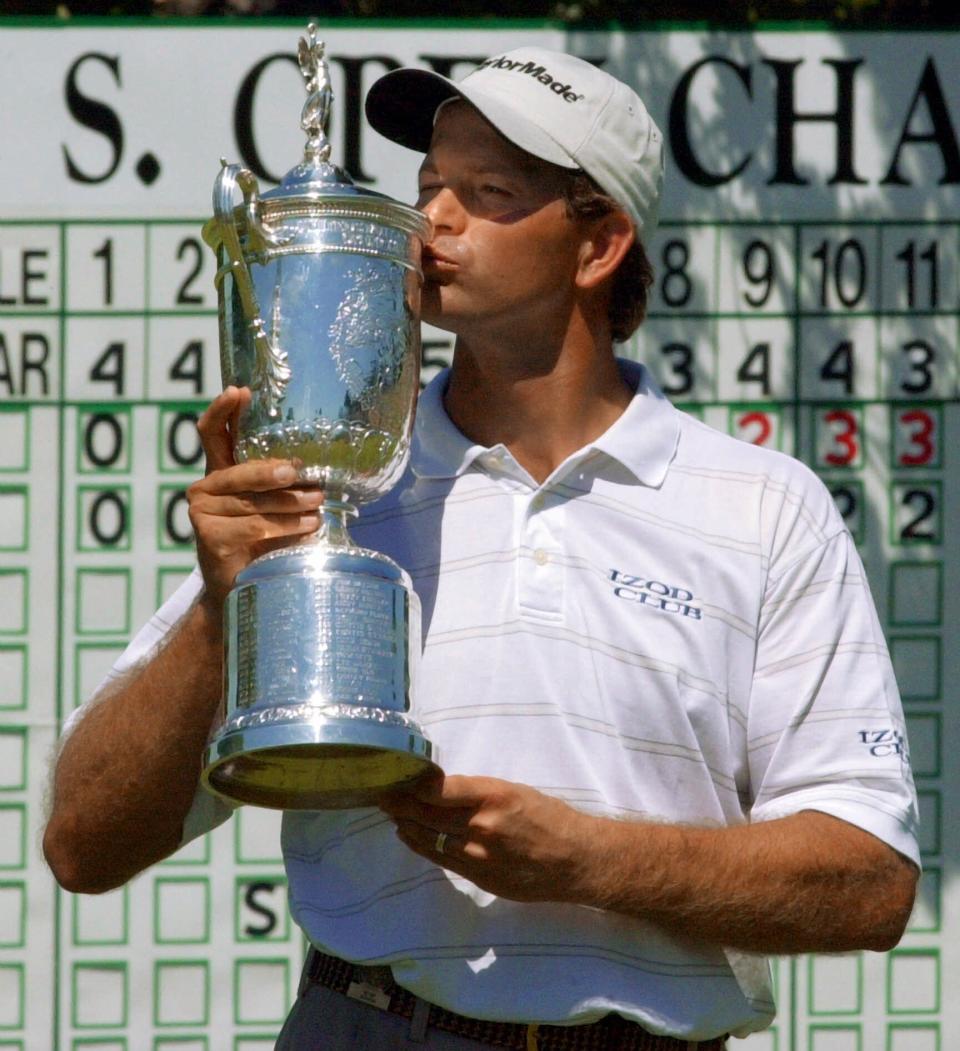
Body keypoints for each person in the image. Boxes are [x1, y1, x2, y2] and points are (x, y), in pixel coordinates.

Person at [44, 47, 919, 1050]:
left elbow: (869, 881)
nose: (434, 222)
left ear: (599, 247)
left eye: (488, 192)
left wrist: (588, 860)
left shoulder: (766, 508)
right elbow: (85, 842)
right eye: (428, 189)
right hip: (366, 1024)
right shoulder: (327, 481)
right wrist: (218, 606)